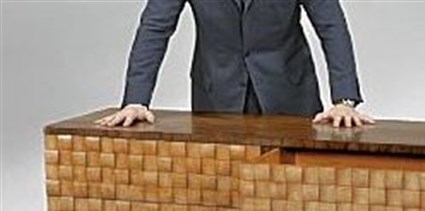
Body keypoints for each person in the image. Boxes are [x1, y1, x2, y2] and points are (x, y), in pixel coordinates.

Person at [96, 0, 373, 128]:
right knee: (223, 204)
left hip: (291, 98)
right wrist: (136, 101)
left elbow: (331, 27)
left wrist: (344, 100)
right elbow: (155, 28)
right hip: (216, 100)